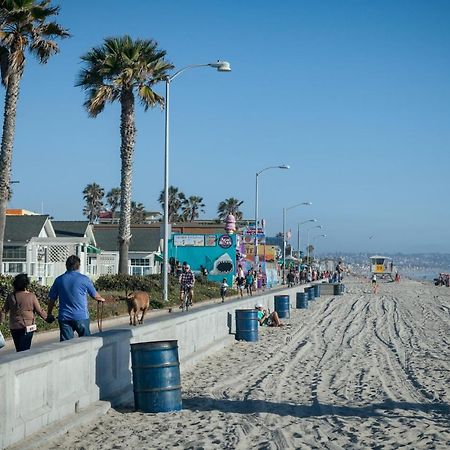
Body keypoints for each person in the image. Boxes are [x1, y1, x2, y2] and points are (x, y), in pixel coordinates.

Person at [47, 255, 105, 342]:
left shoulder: (59, 280)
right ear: (79, 266)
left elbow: (52, 299)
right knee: (86, 342)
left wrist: (49, 313)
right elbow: (95, 295)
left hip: (65, 317)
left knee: (65, 344)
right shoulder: (84, 279)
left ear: (66, 265)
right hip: (81, 316)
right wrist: (101, 299)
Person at [0, 273, 47, 352]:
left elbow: (4, 311)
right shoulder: (31, 296)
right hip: (27, 327)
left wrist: (1, 322)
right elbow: (39, 310)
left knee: (19, 349)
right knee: (25, 349)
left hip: (14, 326)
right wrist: (47, 318)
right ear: (26, 284)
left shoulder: (11, 296)